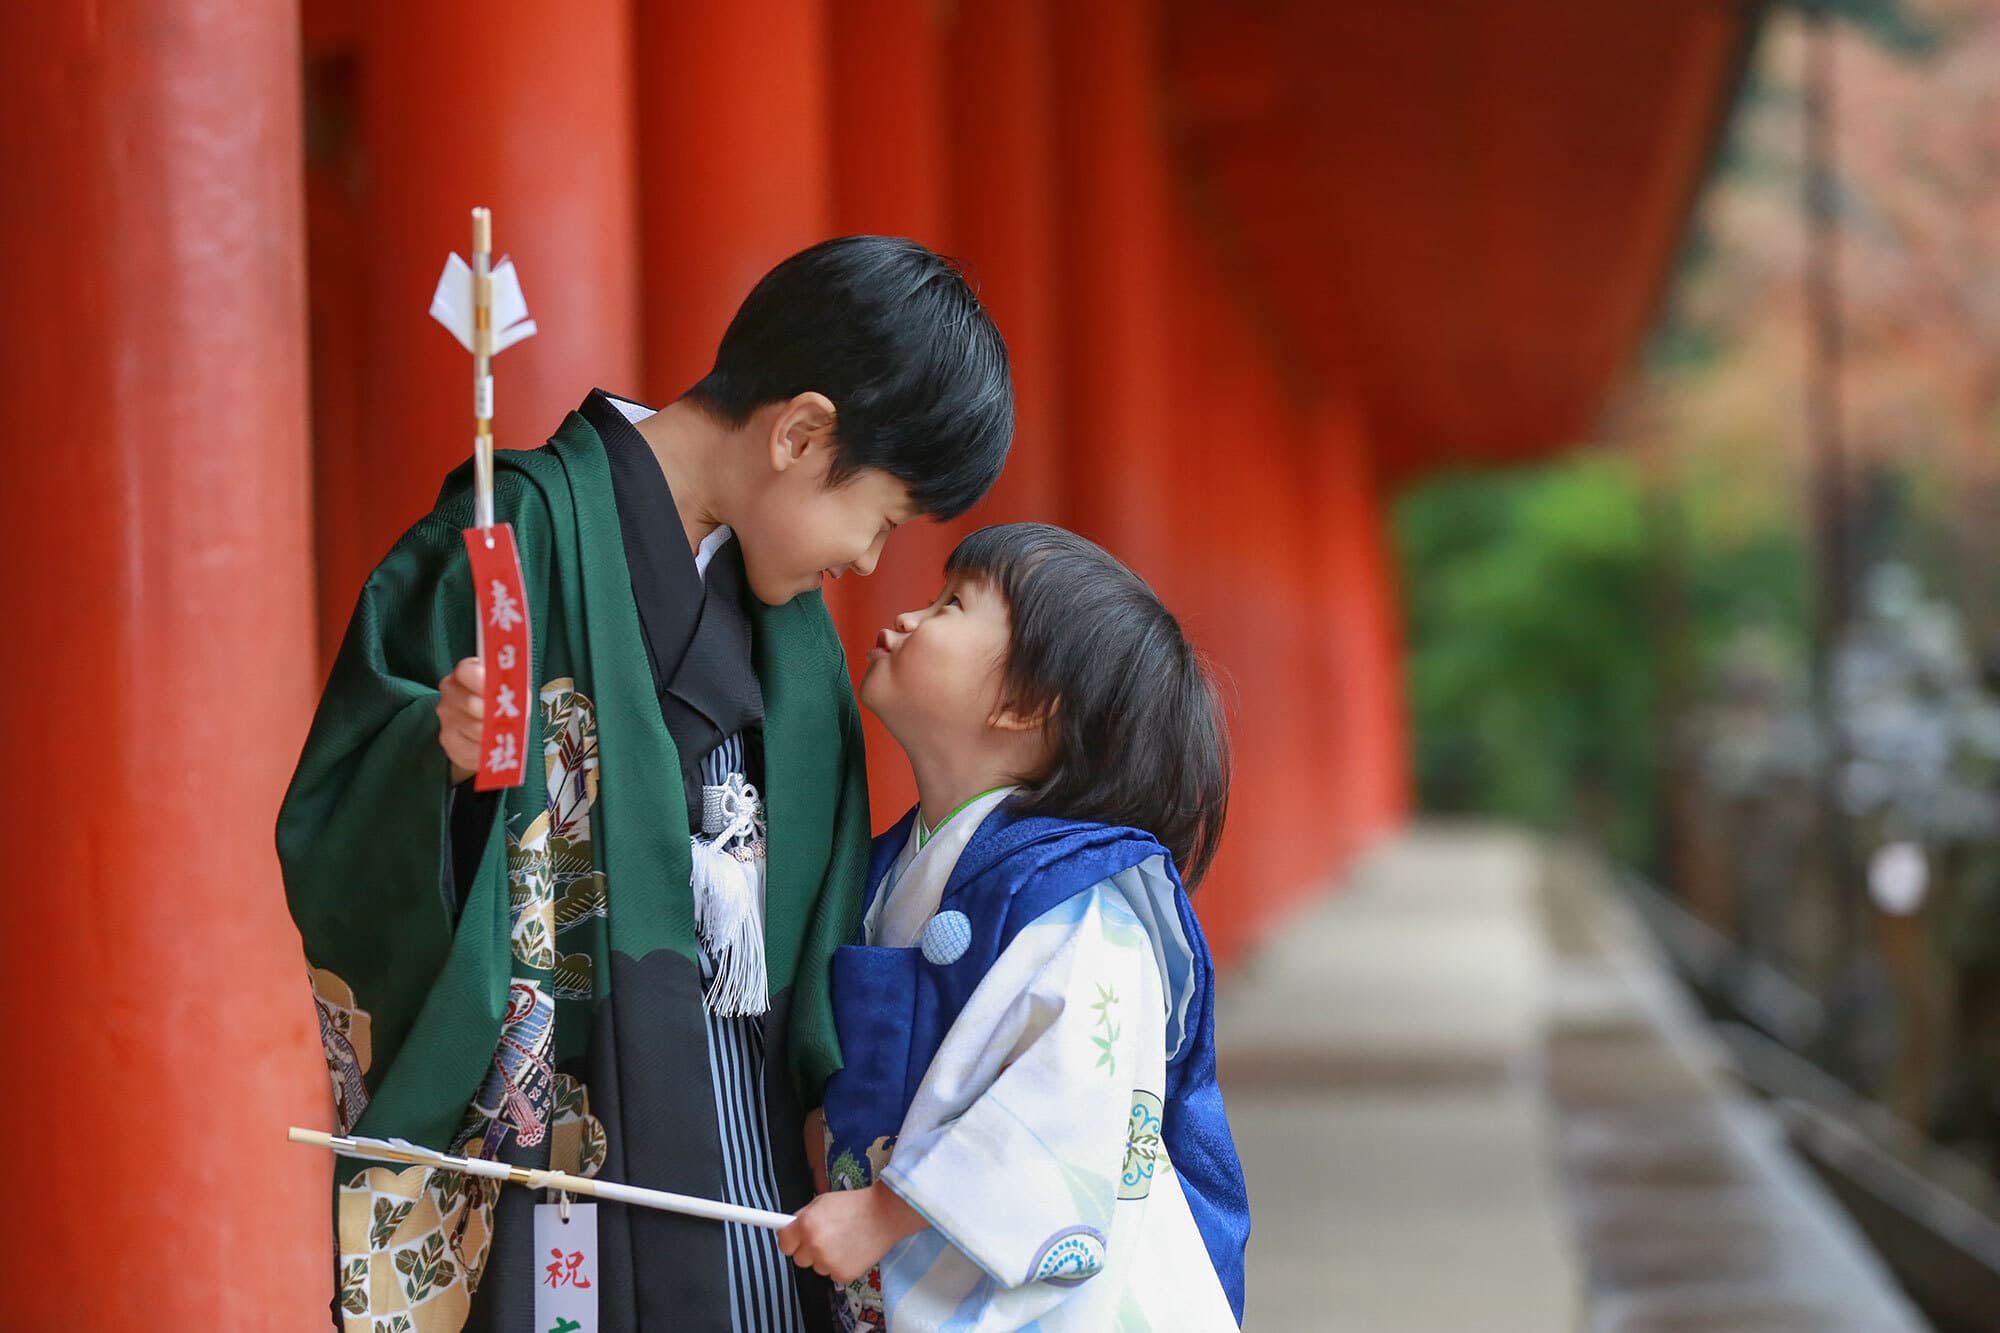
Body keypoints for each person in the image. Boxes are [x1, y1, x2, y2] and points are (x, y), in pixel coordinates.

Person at [278, 236, 1012, 1332]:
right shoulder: (516, 527)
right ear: (799, 433)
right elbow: (347, 816)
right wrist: (442, 756)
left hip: (750, 1135)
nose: (866, 561)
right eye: (885, 517)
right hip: (566, 1122)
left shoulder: (797, 636)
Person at [777, 523, 1251, 1330]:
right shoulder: (897, 867)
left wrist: (888, 1214)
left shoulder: (1086, 909)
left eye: (951, 604)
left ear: (1028, 702)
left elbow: (1069, 1104)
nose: (906, 618)